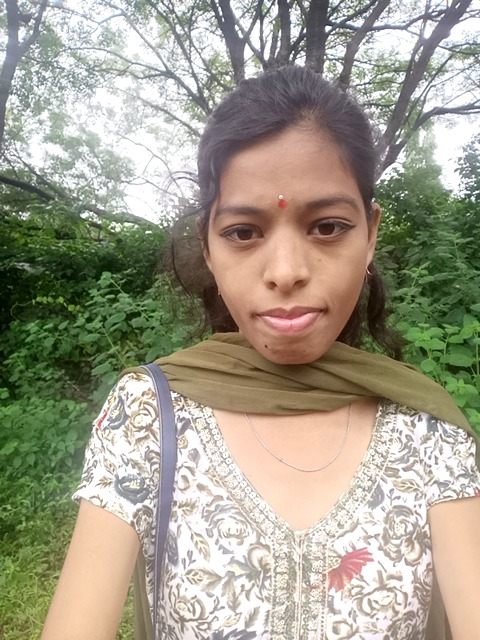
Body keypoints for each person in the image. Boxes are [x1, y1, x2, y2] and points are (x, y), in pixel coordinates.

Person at [41, 65, 480, 640]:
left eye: (328, 226)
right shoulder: (150, 414)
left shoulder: (427, 429)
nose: (286, 272)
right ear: (208, 245)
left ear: (371, 233)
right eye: (244, 232)